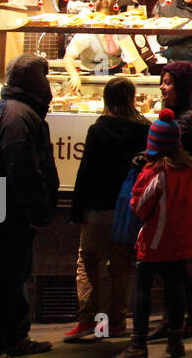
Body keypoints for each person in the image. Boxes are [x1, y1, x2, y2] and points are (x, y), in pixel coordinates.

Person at [0, 54, 60, 358]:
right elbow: (23, 169)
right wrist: (36, 207)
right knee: (2, 279)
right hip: (10, 209)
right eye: (43, 77)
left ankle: (12, 338)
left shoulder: (14, 110)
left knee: (15, 273)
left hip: (7, 207)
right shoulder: (18, 116)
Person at [111, 108, 192, 358]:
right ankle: (176, 341)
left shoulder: (157, 172)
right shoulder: (191, 169)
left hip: (156, 241)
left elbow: (140, 206)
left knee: (142, 288)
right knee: (174, 288)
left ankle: (137, 346)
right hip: (182, 239)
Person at [63, 76, 149, 343]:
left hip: (98, 207)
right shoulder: (144, 129)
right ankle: (118, 322)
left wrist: (77, 209)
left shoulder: (99, 130)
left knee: (88, 262)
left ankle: (89, 320)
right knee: (121, 265)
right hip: (127, 209)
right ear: (131, 99)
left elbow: (86, 173)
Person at [148, 61, 192, 339]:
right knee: (168, 259)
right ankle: (177, 316)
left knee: (171, 259)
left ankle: (188, 311)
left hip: (188, 194)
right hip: (168, 194)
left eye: (168, 83)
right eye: (162, 82)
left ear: (183, 87)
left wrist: (176, 163)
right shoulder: (168, 114)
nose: (162, 87)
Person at [63, 0, 141, 91]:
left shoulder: (120, 30)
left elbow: (134, 57)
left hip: (115, 79)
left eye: (111, 19)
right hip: (91, 78)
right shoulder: (86, 33)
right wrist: (74, 76)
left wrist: (138, 73)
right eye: (104, 19)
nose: (107, 24)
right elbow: (68, 58)